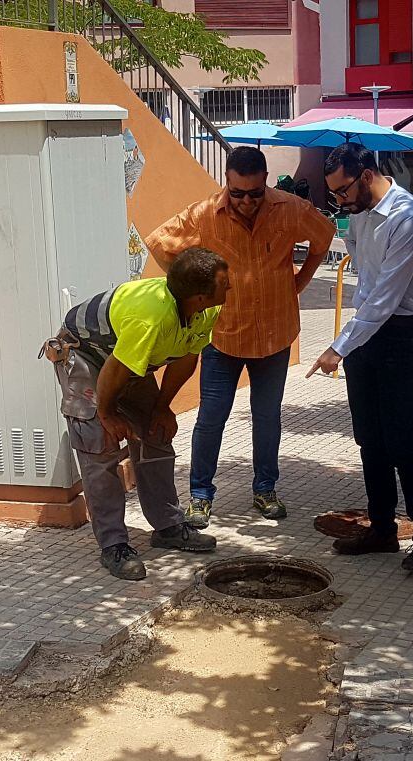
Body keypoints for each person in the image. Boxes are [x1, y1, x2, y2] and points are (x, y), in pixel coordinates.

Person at [145, 147, 335, 528]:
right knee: (212, 416)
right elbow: (159, 243)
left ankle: (265, 489)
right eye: (238, 193)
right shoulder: (202, 215)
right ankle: (200, 495)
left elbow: (324, 237)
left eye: (255, 192)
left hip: (275, 331)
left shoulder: (290, 208)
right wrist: (191, 289)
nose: (247, 201)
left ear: (264, 183)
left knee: (268, 418)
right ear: (226, 184)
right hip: (224, 334)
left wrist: (300, 281)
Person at [46, 247, 230, 581]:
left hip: (125, 357)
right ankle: (113, 545)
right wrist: (105, 414)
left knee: (156, 434)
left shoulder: (205, 311)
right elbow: (115, 369)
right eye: (224, 284)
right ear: (201, 296)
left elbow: (186, 358)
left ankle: (168, 526)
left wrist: (163, 408)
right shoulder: (152, 316)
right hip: (86, 354)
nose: (230, 288)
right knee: (100, 445)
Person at [306, 143, 413, 576]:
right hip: (366, 336)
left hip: (400, 336)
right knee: (370, 440)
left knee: (401, 441)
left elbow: (386, 298)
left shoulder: (409, 217)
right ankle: (382, 528)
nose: (340, 201)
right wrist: (351, 343)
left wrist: (337, 347)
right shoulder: (360, 214)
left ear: (366, 176)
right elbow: (365, 286)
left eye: (343, 191)